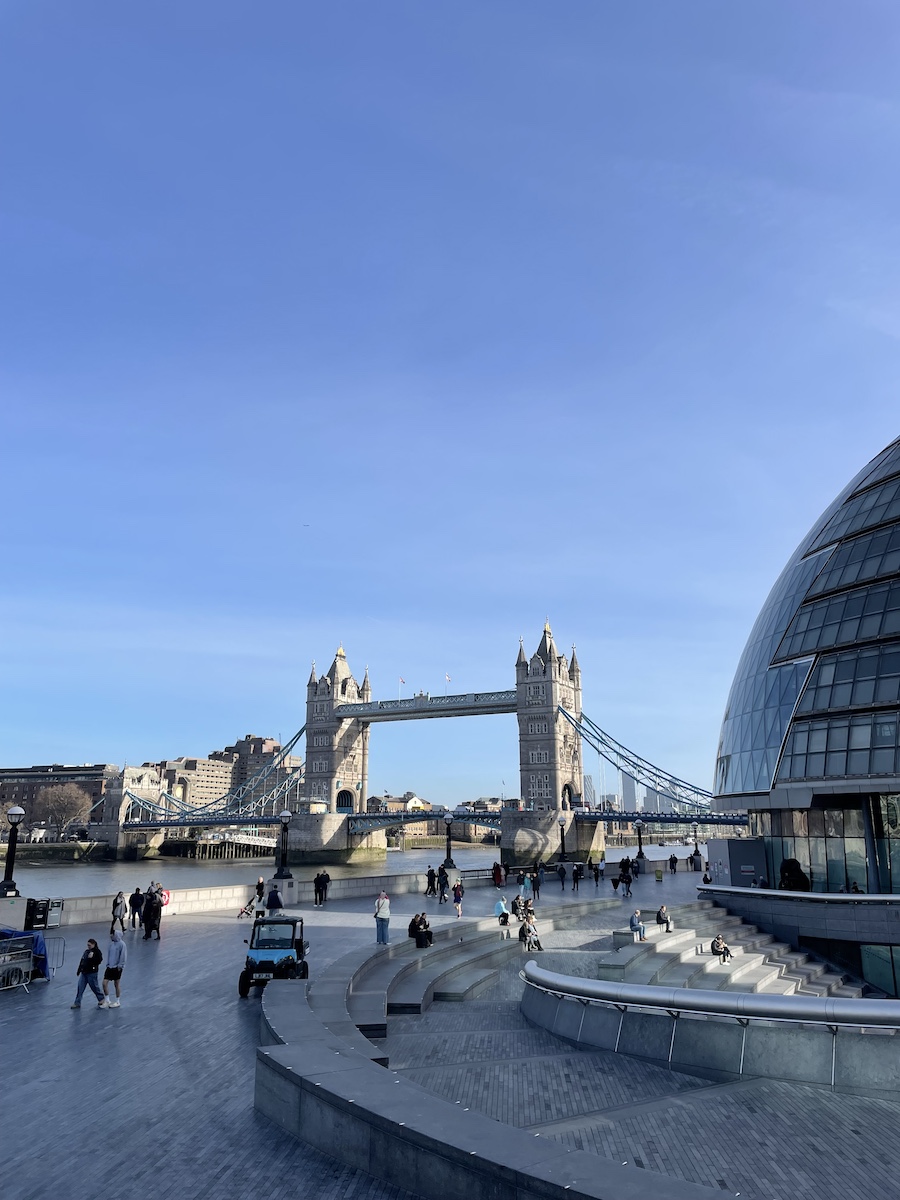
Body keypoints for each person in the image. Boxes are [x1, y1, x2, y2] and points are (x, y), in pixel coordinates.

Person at [71, 938, 105, 1008]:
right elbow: (82, 960)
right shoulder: (86, 952)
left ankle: (101, 998)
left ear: (93, 944)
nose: (88, 946)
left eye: (89, 945)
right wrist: (79, 969)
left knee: (94, 987)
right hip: (84, 972)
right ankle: (77, 1002)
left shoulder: (97, 952)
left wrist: (92, 958)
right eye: (87, 945)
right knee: (80, 987)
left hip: (92, 973)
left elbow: (99, 961)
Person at [102, 930, 127, 1007]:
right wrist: (108, 964)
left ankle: (117, 1001)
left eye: (112, 935)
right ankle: (107, 1000)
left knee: (116, 984)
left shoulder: (122, 944)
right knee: (104, 983)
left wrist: (120, 966)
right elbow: (109, 955)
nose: (110, 936)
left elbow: (123, 956)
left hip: (117, 968)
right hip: (109, 967)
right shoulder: (111, 944)